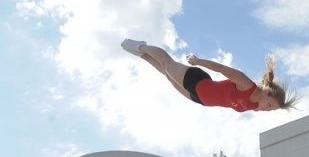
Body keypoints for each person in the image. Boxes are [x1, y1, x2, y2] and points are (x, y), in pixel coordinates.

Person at [121, 40, 298, 113]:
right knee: (166, 63)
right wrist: (196, 61)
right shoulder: (246, 84)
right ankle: (140, 46)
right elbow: (221, 68)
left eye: (271, 110)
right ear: (266, 92)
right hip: (197, 81)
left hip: (198, 99)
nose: (267, 110)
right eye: (270, 105)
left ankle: (141, 55)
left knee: (166, 75)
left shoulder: (255, 107)